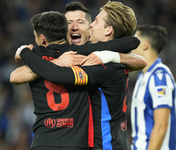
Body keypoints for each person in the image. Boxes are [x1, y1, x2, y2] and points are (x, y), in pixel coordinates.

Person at [11, 1, 147, 150]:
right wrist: (57, 61)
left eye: (93, 21)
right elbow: (16, 76)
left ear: (108, 30)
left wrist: (25, 53)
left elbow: (56, 74)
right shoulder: (104, 56)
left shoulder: (97, 64)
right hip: (112, 143)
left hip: (104, 145)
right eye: (68, 23)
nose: (91, 26)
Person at [130, 25, 176, 150]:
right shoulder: (142, 76)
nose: (131, 43)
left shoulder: (160, 77)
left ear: (145, 45)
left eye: (135, 39)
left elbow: (161, 126)